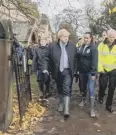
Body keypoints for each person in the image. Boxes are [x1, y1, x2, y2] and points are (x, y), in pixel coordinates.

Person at [43, 29, 77, 119]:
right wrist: (45, 68)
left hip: (68, 71)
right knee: (60, 88)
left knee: (66, 87)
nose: (67, 38)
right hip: (57, 71)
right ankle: (61, 103)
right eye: (65, 36)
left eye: (67, 37)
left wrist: (75, 70)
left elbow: (76, 59)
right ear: (60, 37)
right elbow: (46, 58)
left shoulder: (72, 47)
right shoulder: (52, 46)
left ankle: (66, 109)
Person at [77, 32, 98, 117]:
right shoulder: (81, 47)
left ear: (91, 38)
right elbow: (78, 59)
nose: (86, 39)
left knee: (91, 88)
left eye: (87, 38)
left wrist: (93, 73)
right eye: (84, 38)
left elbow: (94, 61)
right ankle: (83, 99)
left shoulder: (93, 48)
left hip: (90, 72)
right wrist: (77, 70)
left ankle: (92, 109)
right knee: (82, 87)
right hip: (82, 71)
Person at [98, 29, 116, 113]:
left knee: (112, 87)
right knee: (103, 85)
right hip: (103, 69)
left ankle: (108, 105)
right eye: (110, 37)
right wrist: (100, 69)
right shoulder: (101, 45)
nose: (112, 38)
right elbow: (98, 58)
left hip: (113, 69)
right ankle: (101, 96)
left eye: (113, 37)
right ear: (107, 36)